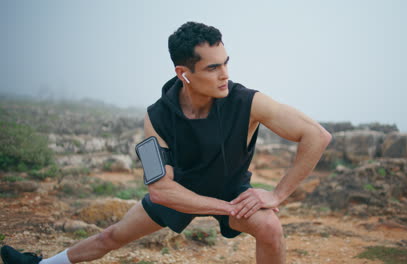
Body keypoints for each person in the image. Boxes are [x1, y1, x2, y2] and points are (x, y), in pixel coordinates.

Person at [1, 21, 331, 264]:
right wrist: (225, 208)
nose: (225, 75)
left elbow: (316, 135)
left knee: (270, 226)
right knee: (111, 236)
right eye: (213, 67)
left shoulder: (249, 102)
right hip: (179, 193)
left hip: (234, 190)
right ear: (184, 73)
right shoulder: (155, 117)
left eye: (226, 62)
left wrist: (276, 194)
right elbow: (160, 189)